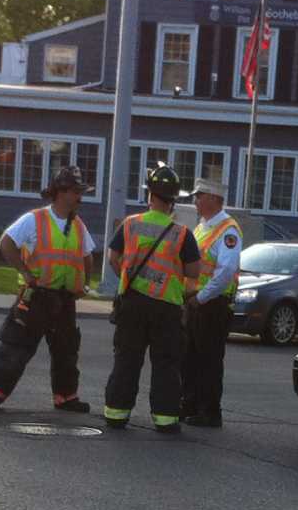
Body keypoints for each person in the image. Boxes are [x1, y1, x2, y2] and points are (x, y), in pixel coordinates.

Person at [0, 165, 97, 413]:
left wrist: (84, 283)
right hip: (36, 297)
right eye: (76, 191)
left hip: (64, 299)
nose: (80, 197)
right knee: (16, 346)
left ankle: (66, 397)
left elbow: (87, 256)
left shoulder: (78, 225)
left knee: (66, 351)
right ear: (61, 192)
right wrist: (24, 272)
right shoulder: (34, 219)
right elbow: (6, 243)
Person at [102, 163, 201, 434]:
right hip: (166, 308)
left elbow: (113, 259)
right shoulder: (182, 234)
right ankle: (165, 419)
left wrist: (130, 276)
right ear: (173, 201)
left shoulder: (131, 225)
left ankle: (116, 414)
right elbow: (194, 271)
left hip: (131, 303)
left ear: (150, 196)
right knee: (166, 364)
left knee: (126, 359)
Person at [179, 175, 241, 428]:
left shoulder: (228, 230)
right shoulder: (203, 225)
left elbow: (226, 271)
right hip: (196, 303)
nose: (195, 200)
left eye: (199, 196)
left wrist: (201, 298)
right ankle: (191, 404)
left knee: (209, 360)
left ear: (214, 199)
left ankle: (209, 411)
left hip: (212, 305)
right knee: (190, 357)